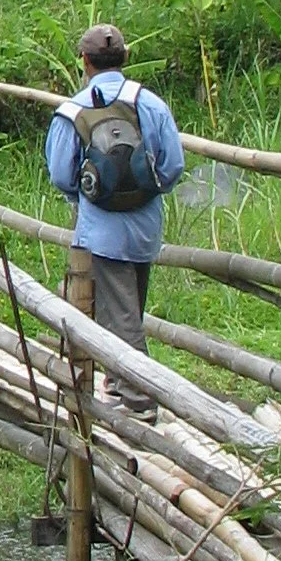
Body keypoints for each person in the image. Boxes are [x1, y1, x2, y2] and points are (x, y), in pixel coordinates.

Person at [45, 21, 184, 357]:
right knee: (130, 309)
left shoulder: (73, 110)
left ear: (84, 61)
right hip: (146, 225)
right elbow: (173, 165)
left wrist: (87, 196)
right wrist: (144, 190)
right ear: (125, 56)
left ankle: (138, 400)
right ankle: (119, 387)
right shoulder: (150, 104)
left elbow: (61, 173)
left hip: (102, 228)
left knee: (121, 320)